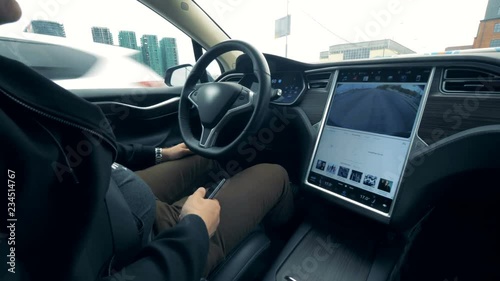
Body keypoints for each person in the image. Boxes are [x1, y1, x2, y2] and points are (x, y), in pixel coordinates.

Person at [0, 1, 294, 280]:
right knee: (276, 174)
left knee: (204, 153)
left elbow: (84, 146)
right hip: (139, 245)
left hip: (105, 192)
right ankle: (289, 241)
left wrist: (159, 154)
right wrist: (194, 230)